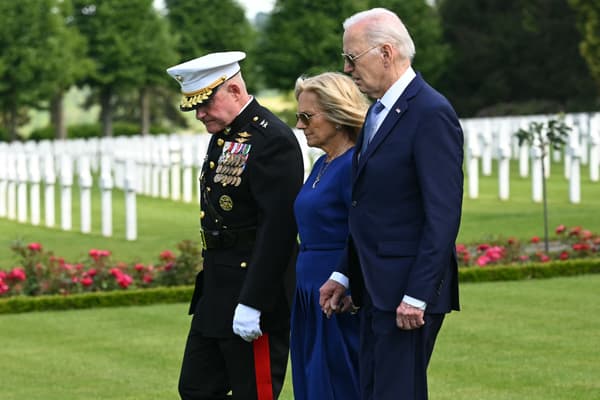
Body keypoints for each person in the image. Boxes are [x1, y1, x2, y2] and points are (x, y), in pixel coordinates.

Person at [319, 8, 464, 400]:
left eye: (352, 58)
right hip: (374, 287)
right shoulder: (377, 114)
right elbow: (366, 207)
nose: (347, 69)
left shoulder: (430, 113)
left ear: (385, 52)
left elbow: (442, 214)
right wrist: (344, 274)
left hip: (406, 293)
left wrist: (417, 294)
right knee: (372, 391)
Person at [166, 51, 304, 400]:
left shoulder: (271, 139)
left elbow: (279, 229)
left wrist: (254, 301)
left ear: (236, 91)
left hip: (254, 294)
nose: (199, 114)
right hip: (217, 289)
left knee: (252, 393)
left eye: (205, 103)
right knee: (196, 388)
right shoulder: (227, 133)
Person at [291, 72, 369, 400]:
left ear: (338, 116)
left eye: (307, 116)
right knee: (311, 384)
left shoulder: (354, 165)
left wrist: (349, 280)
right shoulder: (323, 162)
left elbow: (363, 231)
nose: (299, 125)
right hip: (308, 291)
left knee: (337, 385)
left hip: (335, 292)